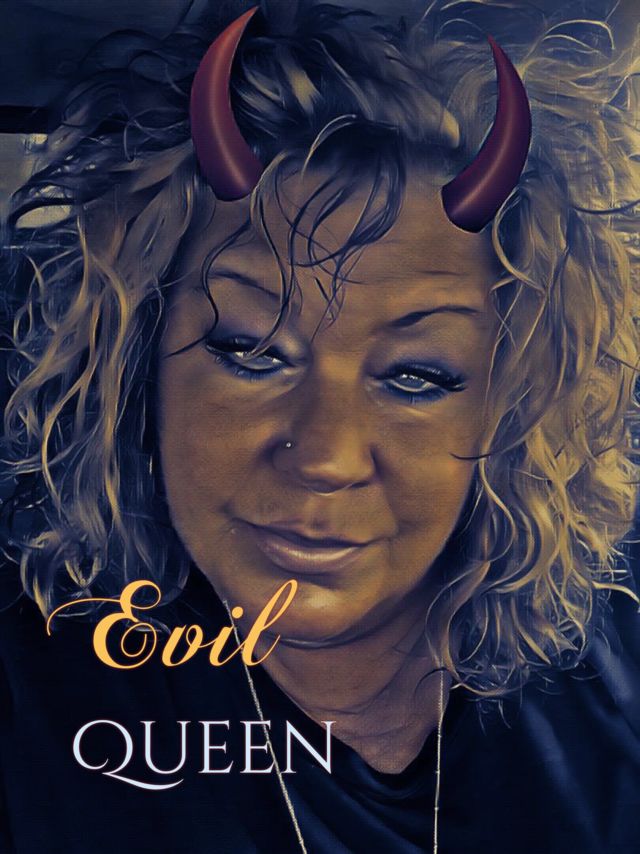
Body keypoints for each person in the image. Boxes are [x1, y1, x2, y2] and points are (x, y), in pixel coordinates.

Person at [0, 1, 639, 852]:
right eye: (251, 351)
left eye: (418, 376)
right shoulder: (30, 693)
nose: (328, 457)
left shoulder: (615, 673)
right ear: (134, 364)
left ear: (518, 405)